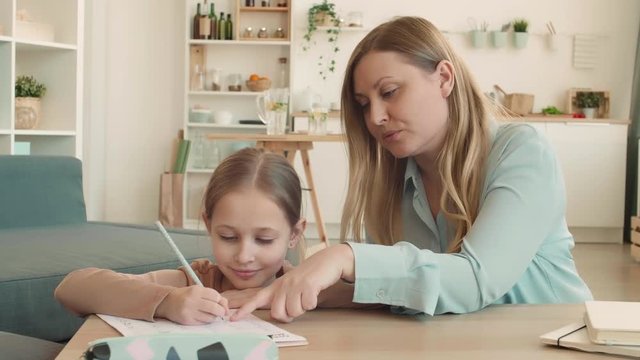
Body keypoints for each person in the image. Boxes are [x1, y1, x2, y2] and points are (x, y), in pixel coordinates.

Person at [231, 16, 593, 323]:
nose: (375, 117)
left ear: (444, 79)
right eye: (363, 104)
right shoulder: (391, 182)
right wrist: (293, 290)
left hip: (552, 340)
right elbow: (399, 289)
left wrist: (347, 256)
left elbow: (477, 280)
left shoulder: (521, 152)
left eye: (389, 92)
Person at [55, 147, 306, 325]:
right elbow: (72, 288)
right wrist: (168, 302)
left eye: (263, 240)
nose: (243, 256)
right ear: (209, 225)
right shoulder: (195, 282)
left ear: (294, 234)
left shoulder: (304, 283)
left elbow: (344, 293)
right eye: (228, 237)